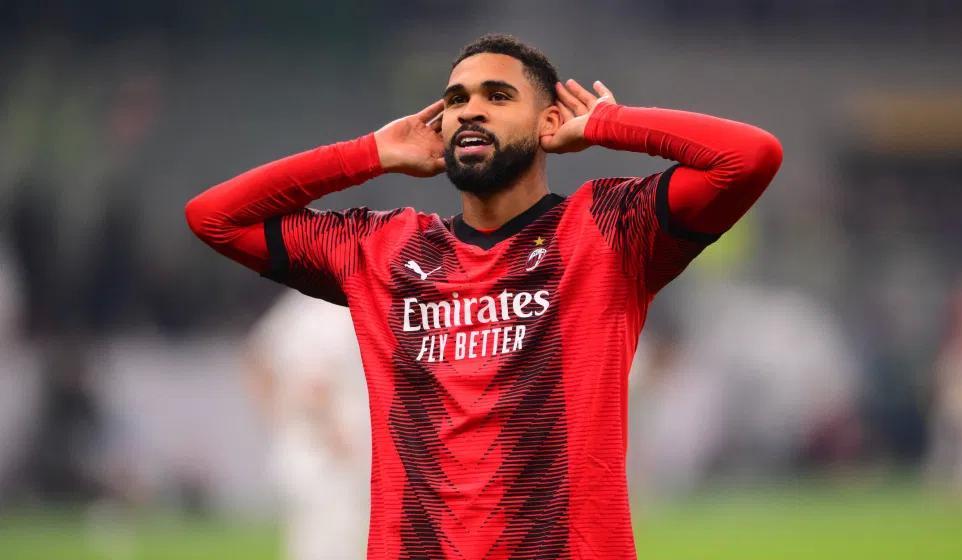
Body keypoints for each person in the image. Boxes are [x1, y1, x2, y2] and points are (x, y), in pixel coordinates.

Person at [186, 33, 782, 560]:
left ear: (549, 122)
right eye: (456, 99)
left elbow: (750, 157)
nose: (470, 110)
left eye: (498, 96)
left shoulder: (607, 229)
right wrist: (370, 154)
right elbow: (214, 217)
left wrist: (608, 124)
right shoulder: (381, 249)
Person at [245, 290, 371, 560]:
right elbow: (314, 385)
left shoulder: (303, 303)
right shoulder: (332, 312)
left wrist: (280, 420)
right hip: (333, 462)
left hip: (311, 455)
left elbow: (257, 359)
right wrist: (334, 435)